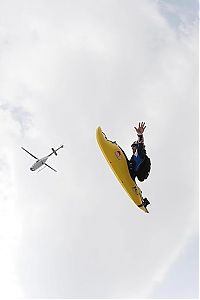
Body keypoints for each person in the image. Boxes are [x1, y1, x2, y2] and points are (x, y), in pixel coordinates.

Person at [128, 122, 151, 207]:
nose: (132, 148)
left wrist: (140, 134)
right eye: (132, 147)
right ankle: (143, 200)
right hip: (133, 173)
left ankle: (142, 200)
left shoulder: (140, 153)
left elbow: (141, 144)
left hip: (139, 172)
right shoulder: (133, 157)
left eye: (134, 146)